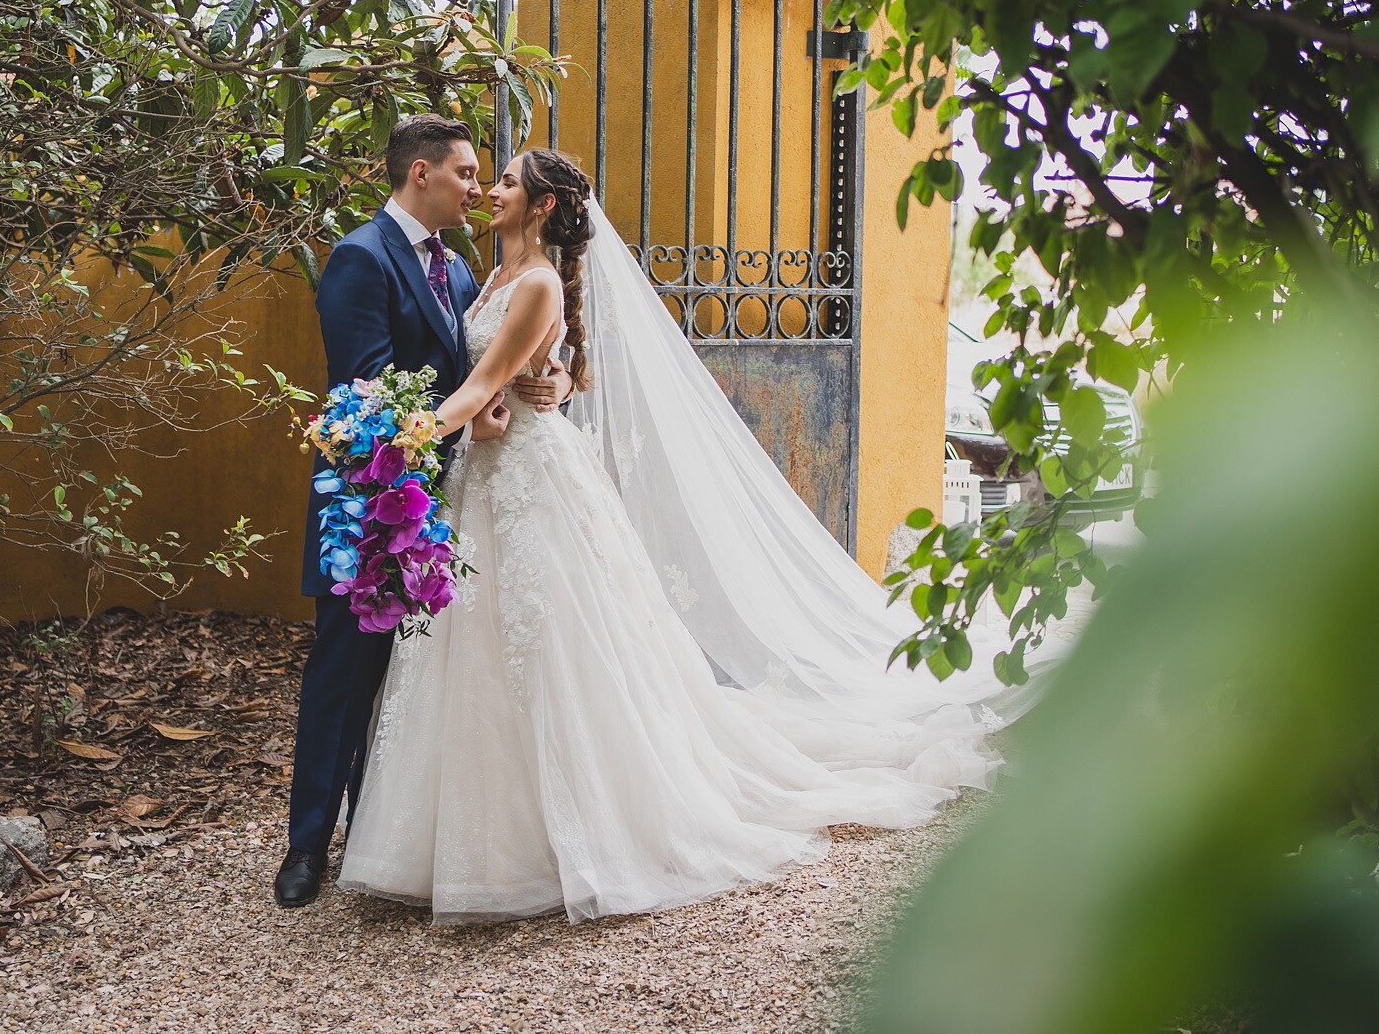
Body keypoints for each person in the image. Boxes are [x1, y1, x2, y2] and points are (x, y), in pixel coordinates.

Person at [332, 149, 1025, 924]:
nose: (489, 190)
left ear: (538, 206)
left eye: (505, 182)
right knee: (475, 649)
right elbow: (511, 374)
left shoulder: (531, 284)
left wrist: (405, 437)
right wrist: (532, 389)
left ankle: (556, 834)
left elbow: (481, 381)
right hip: (487, 477)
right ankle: (457, 839)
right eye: (483, 178)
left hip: (530, 476)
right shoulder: (484, 276)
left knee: (550, 643)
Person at [277, 117, 568, 909]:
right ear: (420, 175)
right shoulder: (359, 258)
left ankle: (382, 834)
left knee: (411, 678)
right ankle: (306, 848)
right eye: (467, 174)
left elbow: (496, 357)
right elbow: (365, 386)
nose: (478, 188)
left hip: (445, 502)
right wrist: (471, 413)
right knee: (342, 675)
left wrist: (550, 385)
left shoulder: (463, 270)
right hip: (369, 506)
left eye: (487, 177)